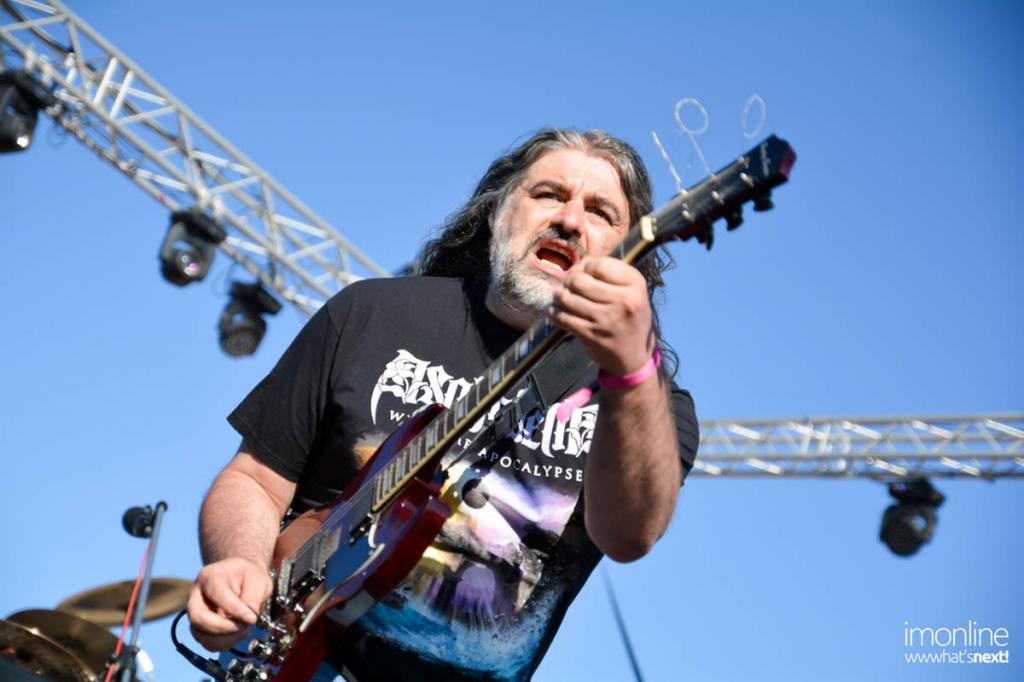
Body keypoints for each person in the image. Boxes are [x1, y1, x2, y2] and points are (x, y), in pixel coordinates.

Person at [187, 128, 699, 681]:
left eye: (600, 213)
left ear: (629, 256)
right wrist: (238, 563)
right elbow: (256, 481)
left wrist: (631, 369)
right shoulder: (370, 314)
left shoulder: (647, 405)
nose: (570, 220)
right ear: (497, 212)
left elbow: (628, 536)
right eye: (548, 194)